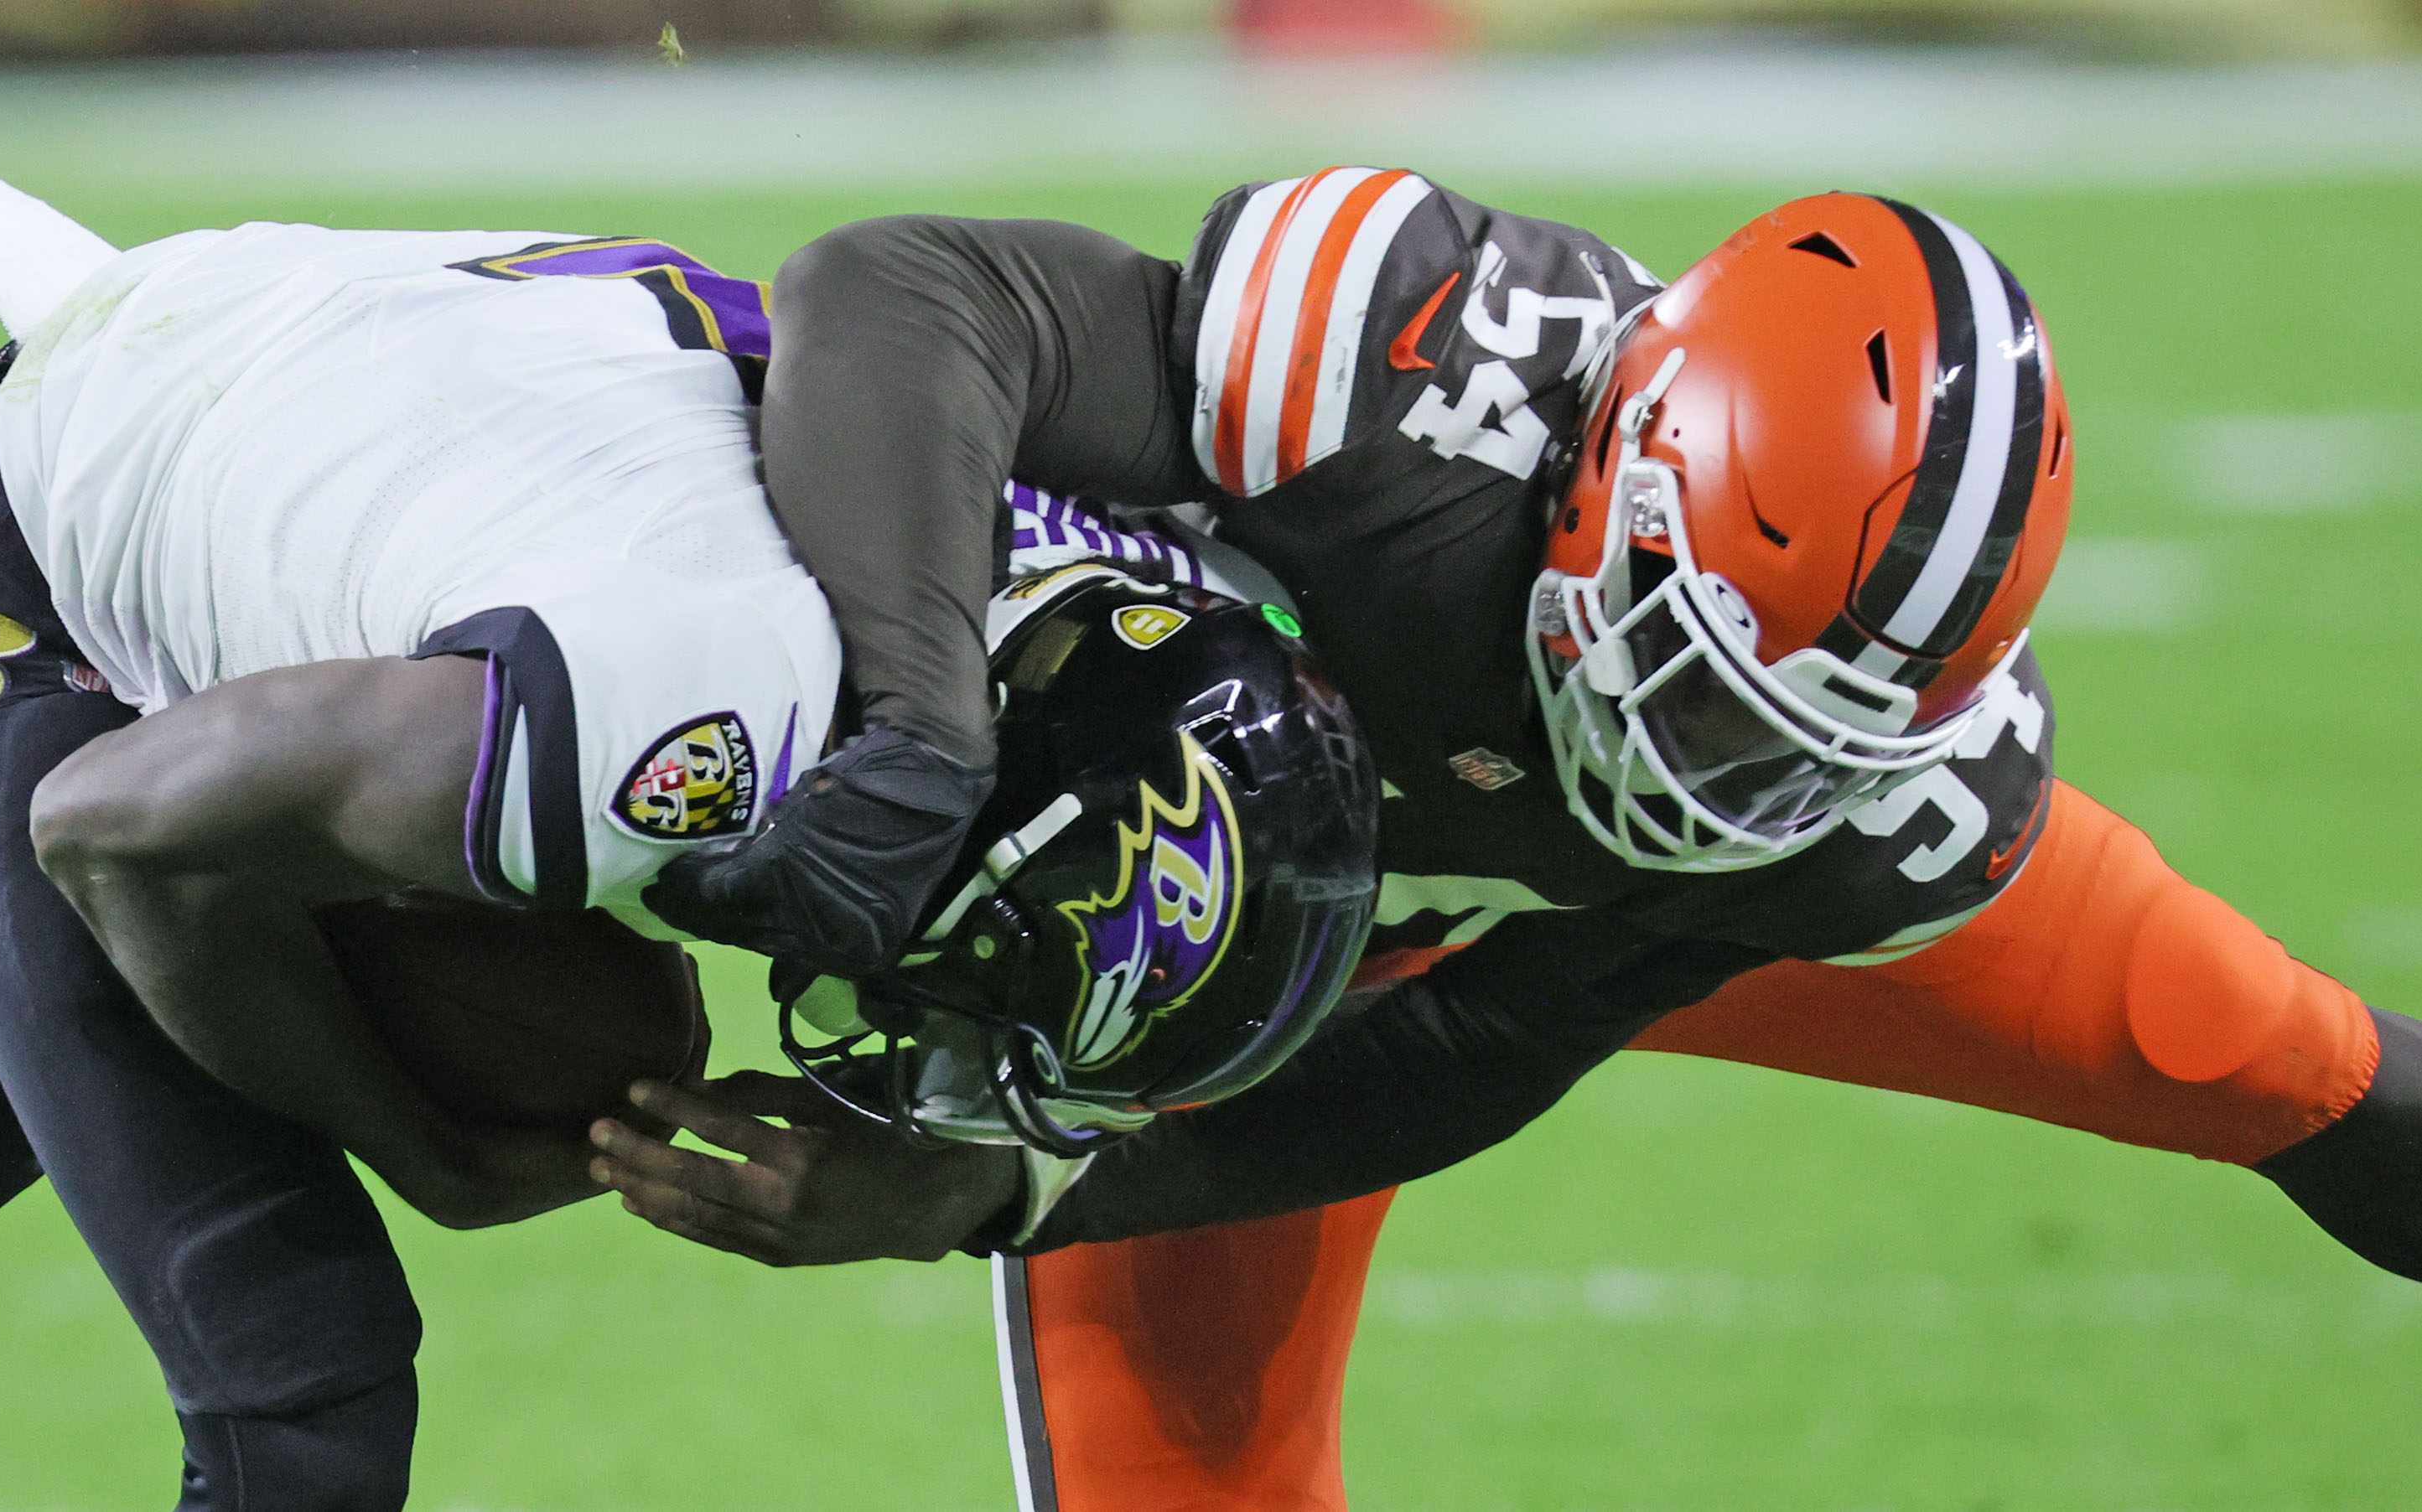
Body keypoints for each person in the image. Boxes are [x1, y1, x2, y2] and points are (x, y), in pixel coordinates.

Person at [0, 149, 1376, 1506]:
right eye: (1000, 992)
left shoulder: (1070, 578)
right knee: (304, 1385)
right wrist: (410, 1133)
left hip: (287, 442)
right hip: (40, 564)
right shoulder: (698, 717)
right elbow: (111, 822)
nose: (953, 1040)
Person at [595, 173, 2420, 1511]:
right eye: (1700, 698)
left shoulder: (1829, 818)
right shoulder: (1398, 401)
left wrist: (985, 1190)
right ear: (1605, 484)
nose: (1716, 782)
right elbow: (904, 290)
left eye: (1794, 746)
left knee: (2280, 1059)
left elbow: (1498, 1030)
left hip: (1506, 941)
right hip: (1223, 920)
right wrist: (923, 726)